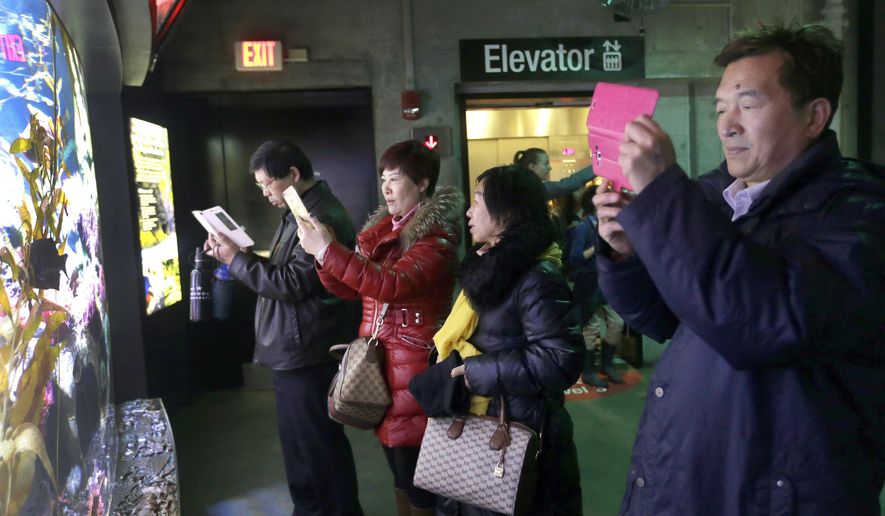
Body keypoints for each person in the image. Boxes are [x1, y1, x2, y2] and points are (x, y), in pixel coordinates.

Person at [592, 23, 885, 514]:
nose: (727, 124)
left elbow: (763, 322)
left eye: (748, 105)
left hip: (772, 492)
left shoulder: (859, 212)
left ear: (815, 117)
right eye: (721, 108)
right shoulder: (716, 198)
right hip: (689, 476)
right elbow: (669, 317)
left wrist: (664, 195)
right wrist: (627, 255)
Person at [297, 140, 463, 516]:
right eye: (383, 179)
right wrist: (324, 255)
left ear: (422, 184)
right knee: (399, 469)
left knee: (418, 476)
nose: (386, 188)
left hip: (415, 365)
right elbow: (346, 287)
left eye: (396, 179)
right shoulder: (384, 232)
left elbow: (390, 284)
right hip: (384, 362)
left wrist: (328, 251)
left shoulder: (436, 239)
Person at [205, 140, 364, 516]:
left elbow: (293, 282)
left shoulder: (320, 216)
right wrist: (237, 256)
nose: (265, 193)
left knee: (317, 450)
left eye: (268, 184)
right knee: (303, 450)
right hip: (296, 349)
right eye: (260, 185)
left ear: (293, 174)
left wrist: (237, 261)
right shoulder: (299, 210)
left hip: (307, 350)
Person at [443, 164, 586, 515]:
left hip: (522, 435)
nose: (469, 211)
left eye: (478, 200)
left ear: (507, 212)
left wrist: (480, 371)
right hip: (488, 424)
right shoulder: (490, 269)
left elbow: (560, 360)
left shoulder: (537, 276)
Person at [567, 186, 624, 388]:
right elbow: (573, 258)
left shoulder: (607, 224)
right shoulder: (583, 228)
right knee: (590, 328)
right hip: (589, 285)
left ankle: (607, 365)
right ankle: (589, 370)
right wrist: (596, 247)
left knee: (617, 322)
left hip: (606, 284)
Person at [513, 147, 595, 200]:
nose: (549, 168)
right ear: (532, 167)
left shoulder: (519, 187)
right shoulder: (533, 189)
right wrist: (598, 167)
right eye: (545, 164)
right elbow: (568, 185)